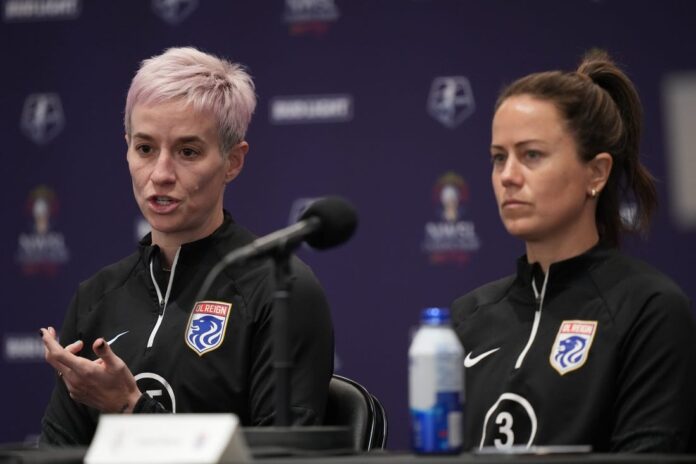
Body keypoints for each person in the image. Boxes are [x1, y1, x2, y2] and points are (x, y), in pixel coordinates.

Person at [39, 46, 334, 445]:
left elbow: (282, 458)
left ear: (233, 161)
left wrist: (131, 408)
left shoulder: (280, 291)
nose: (160, 174)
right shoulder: (95, 298)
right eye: (145, 148)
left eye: (187, 152)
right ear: (127, 148)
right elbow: (56, 452)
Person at [451, 49, 696, 452]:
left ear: (596, 173)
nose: (508, 176)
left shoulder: (650, 310)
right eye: (499, 158)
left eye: (531, 155)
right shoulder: (466, 318)